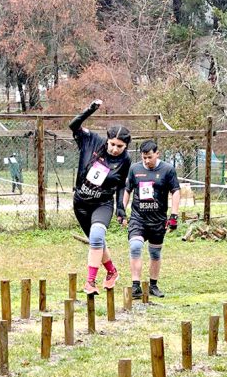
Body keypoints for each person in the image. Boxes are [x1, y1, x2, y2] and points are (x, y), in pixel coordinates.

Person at [70, 99, 131, 295]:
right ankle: (112, 272)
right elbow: (74, 125)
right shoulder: (92, 141)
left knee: (97, 237)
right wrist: (90, 109)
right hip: (81, 203)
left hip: (102, 204)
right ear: (107, 140)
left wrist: (121, 208)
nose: (115, 149)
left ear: (126, 146)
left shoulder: (125, 160)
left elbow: (122, 184)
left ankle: (90, 282)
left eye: (120, 146)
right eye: (112, 144)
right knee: (98, 243)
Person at [122, 140, 181, 298]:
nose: (147, 161)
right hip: (138, 218)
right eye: (144, 158)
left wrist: (174, 215)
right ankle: (136, 286)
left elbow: (175, 191)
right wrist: (121, 210)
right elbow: (127, 190)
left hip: (157, 220)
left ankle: (153, 285)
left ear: (157, 154)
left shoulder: (168, 170)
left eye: (149, 157)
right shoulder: (135, 169)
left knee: (155, 253)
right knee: (135, 247)